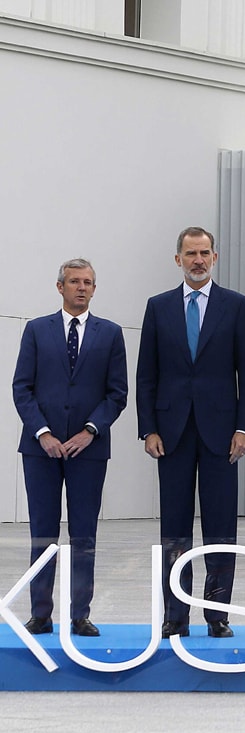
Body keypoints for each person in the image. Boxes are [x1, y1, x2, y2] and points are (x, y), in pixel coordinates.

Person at [136, 226, 245, 639]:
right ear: (178, 259)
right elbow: (146, 376)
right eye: (190, 253)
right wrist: (148, 428)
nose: (198, 260)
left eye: (205, 252)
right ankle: (175, 615)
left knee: (221, 527)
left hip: (222, 434)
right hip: (170, 434)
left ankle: (217, 614)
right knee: (174, 528)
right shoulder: (158, 307)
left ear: (215, 257)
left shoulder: (236, 306)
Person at [12, 258, 128, 637]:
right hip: (40, 450)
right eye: (75, 281)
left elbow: (117, 393)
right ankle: (40, 614)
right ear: (59, 286)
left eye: (89, 282)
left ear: (95, 289)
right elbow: (21, 388)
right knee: (43, 534)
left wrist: (90, 430)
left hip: (88, 451)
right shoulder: (36, 330)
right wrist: (42, 433)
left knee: (84, 535)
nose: (82, 287)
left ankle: (80, 614)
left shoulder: (110, 334)